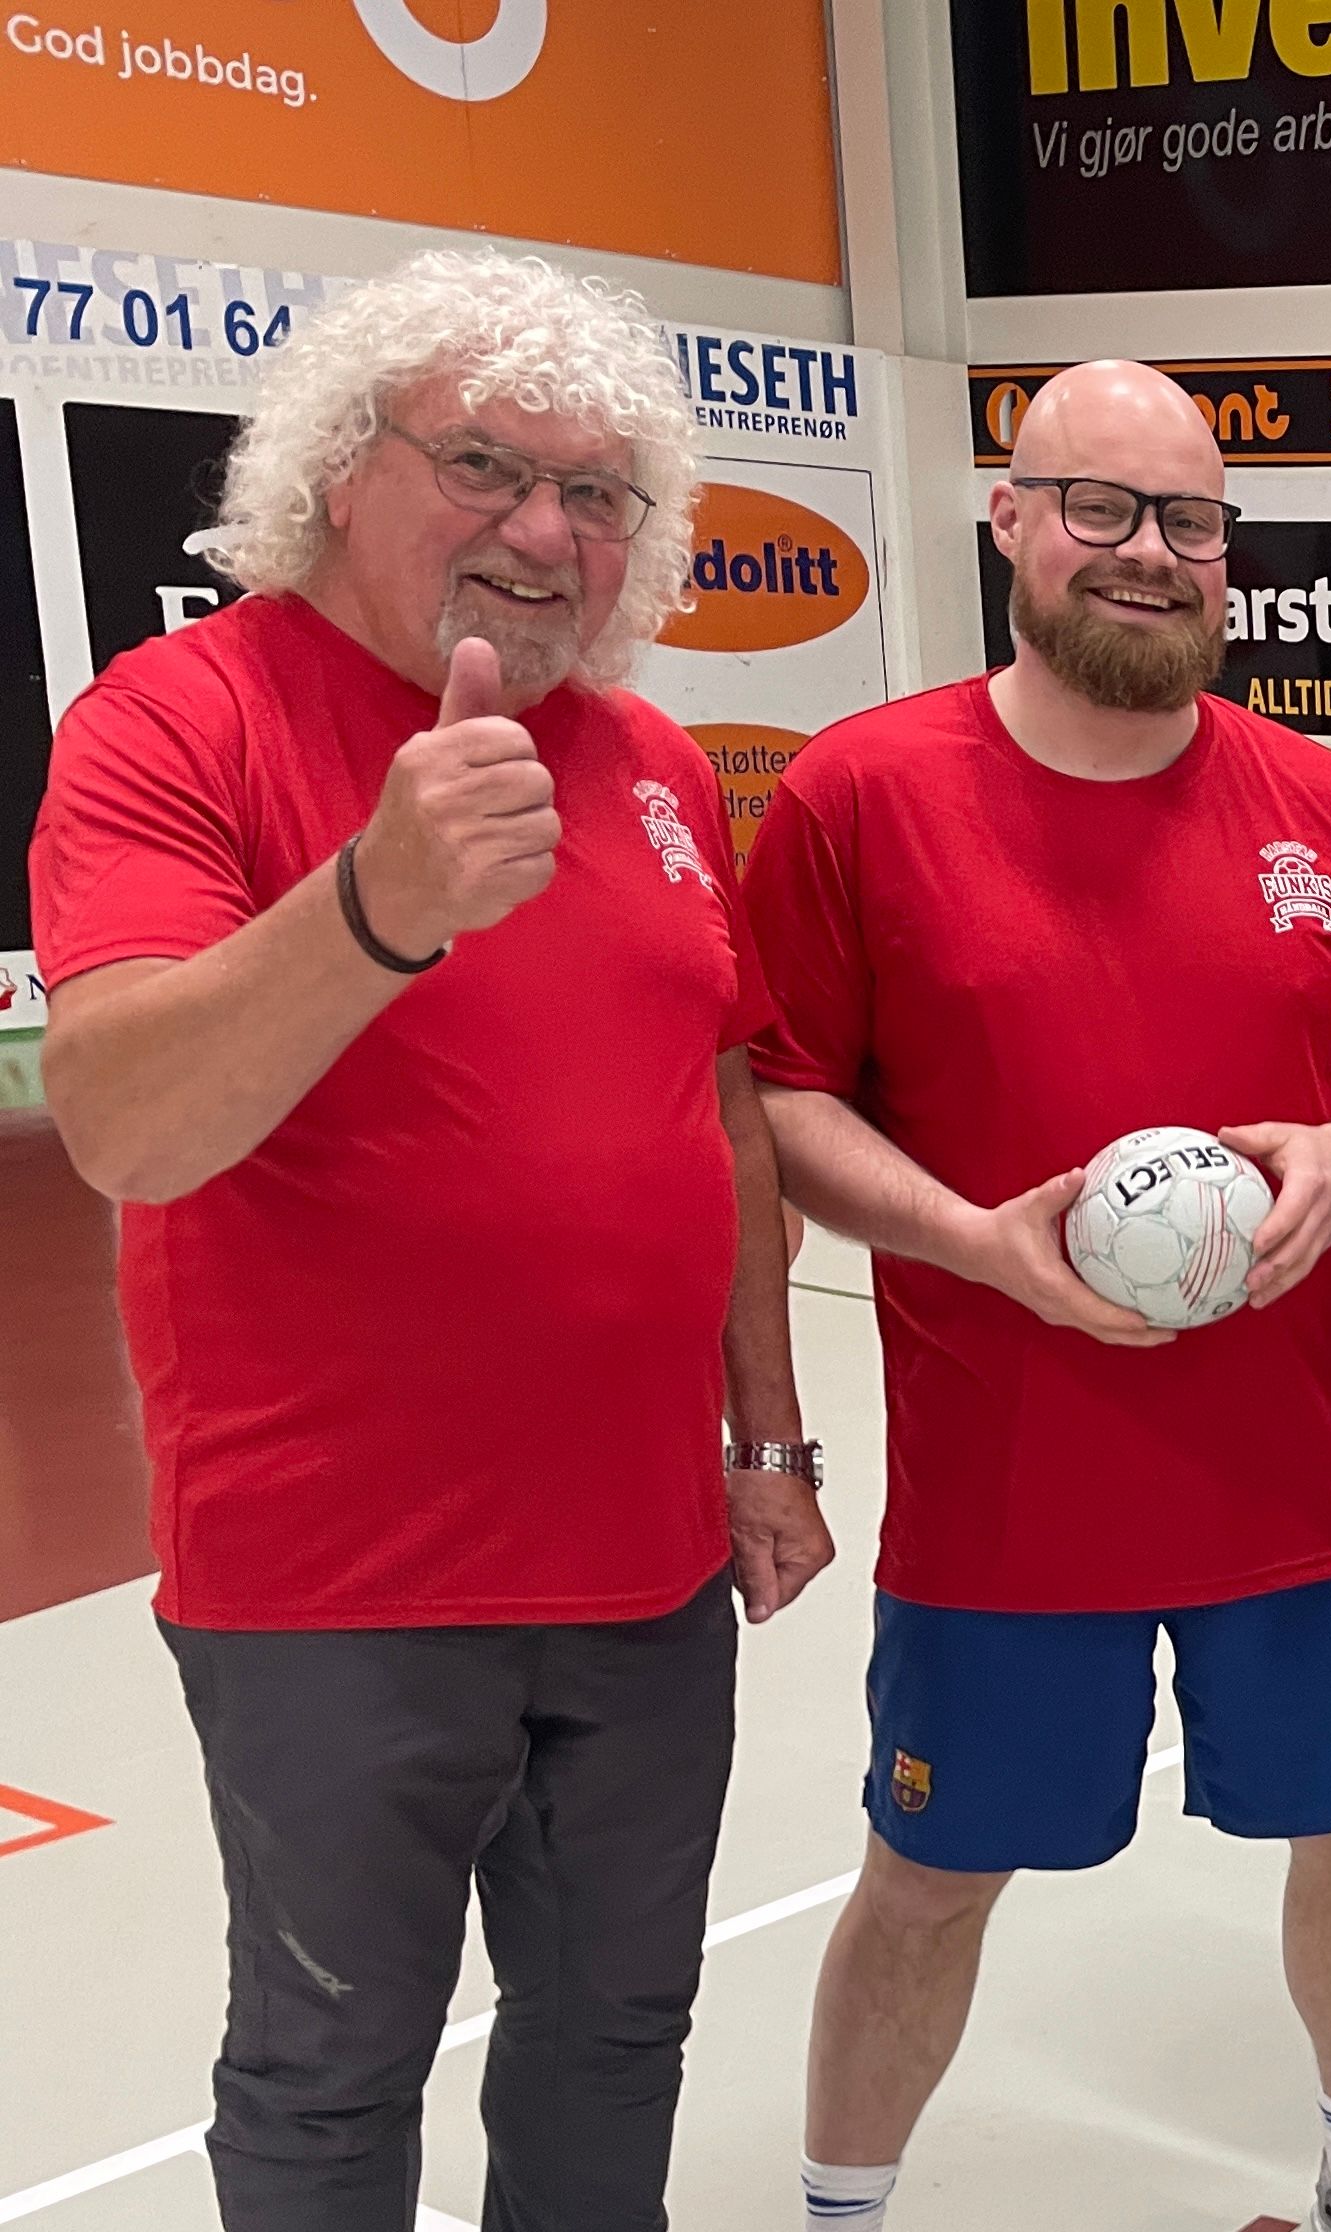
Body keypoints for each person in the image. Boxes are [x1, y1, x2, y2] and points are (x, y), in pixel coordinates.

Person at [27, 245, 833, 2230]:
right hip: (338, 1587)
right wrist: (377, 903)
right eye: (483, 464)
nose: (544, 532)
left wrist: (767, 1438)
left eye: (596, 493)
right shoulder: (177, 721)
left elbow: (721, 1110)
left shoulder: (654, 762)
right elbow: (124, 1122)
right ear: (336, 468)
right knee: (330, 2076)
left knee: (616, 2032)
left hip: (645, 1563)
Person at [743, 361, 1331, 2232]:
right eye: (1100, 508)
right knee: (928, 1879)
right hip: (1011, 1490)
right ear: (1009, 519)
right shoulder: (860, 796)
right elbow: (783, 1105)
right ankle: (841, 2212)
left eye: (1190, 521)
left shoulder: (1324, 805)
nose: (1149, 553)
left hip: (1305, 1474)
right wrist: (977, 1239)